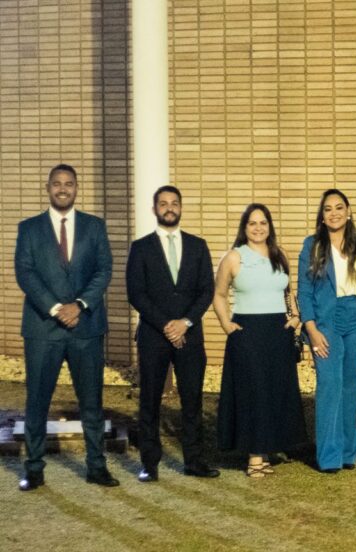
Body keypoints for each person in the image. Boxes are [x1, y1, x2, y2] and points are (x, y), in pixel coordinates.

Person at [15, 164, 117, 490]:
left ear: (76, 188)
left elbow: (104, 270)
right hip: (43, 328)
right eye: (57, 184)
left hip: (86, 327)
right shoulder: (29, 228)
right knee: (37, 402)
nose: (63, 189)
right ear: (48, 188)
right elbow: (25, 273)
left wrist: (80, 305)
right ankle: (33, 468)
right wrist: (57, 308)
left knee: (92, 402)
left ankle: (96, 466)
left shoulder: (94, 226)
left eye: (69, 184)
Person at [126, 185, 219, 482]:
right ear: (154, 209)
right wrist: (167, 324)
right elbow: (136, 293)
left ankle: (195, 461)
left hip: (190, 335)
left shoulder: (198, 245)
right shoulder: (140, 248)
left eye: (174, 203)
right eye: (163, 203)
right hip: (154, 335)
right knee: (150, 401)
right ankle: (149, 464)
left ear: (181, 207)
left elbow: (207, 290)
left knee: (192, 400)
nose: (169, 208)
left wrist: (185, 323)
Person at [213, 203, 306, 477]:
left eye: (263, 222)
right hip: (248, 332)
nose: (258, 228)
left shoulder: (281, 255)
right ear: (244, 228)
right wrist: (226, 324)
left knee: (275, 390)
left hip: (278, 332)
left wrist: (296, 315)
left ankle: (268, 448)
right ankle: (254, 456)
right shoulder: (233, 257)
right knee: (254, 392)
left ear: (270, 226)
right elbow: (218, 295)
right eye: (252, 223)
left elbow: (288, 290)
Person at [297, 190, 356, 473]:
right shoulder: (312, 245)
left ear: (348, 211)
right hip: (326, 321)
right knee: (329, 386)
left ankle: (350, 453)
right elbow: (304, 291)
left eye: (339, 207)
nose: (334, 213)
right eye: (328, 209)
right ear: (322, 216)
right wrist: (311, 329)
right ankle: (329, 456)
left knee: (352, 388)